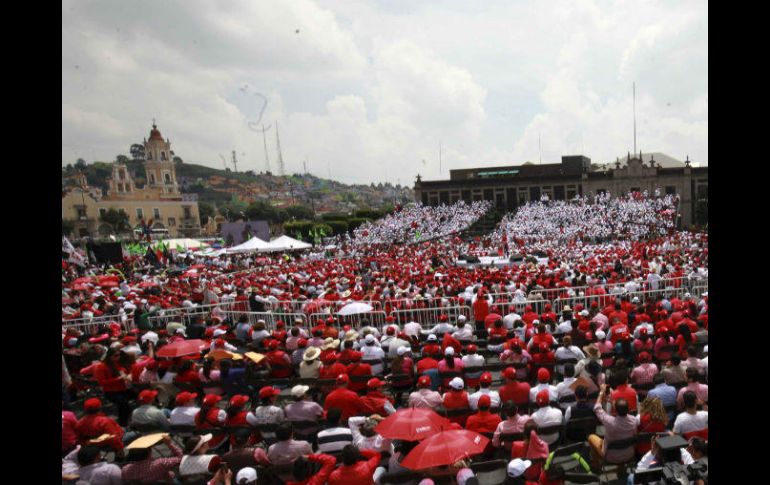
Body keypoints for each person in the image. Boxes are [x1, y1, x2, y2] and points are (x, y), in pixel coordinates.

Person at [587, 385, 637, 472]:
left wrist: (601, 392)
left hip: (610, 456)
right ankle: (621, 467)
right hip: (629, 454)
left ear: (616, 411)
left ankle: (596, 465)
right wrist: (611, 401)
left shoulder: (609, 421)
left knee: (591, 437)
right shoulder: (634, 420)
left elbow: (597, 408)